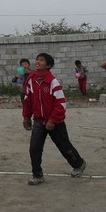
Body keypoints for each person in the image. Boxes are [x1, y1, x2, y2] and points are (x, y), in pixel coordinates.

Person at [22, 53, 87, 185]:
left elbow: (61, 103)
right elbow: (28, 99)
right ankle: (37, 175)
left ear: (48, 65)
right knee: (34, 148)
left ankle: (79, 164)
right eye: (37, 59)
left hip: (55, 122)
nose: (37, 62)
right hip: (39, 121)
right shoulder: (31, 80)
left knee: (64, 146)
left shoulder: (52, 81)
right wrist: (26, 116)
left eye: (41, 60)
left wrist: (52, 120)